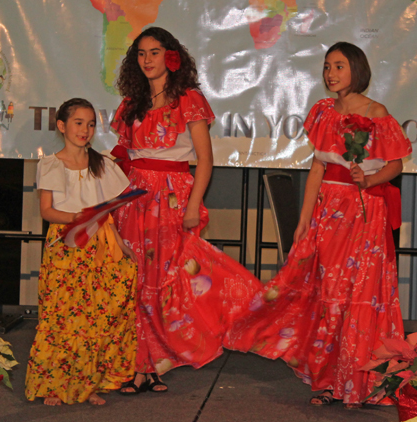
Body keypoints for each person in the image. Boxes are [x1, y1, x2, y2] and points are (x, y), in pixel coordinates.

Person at [227, 42, 413, 407]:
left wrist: (368, 180)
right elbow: (317, 168)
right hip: (329, 212)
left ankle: (359, 384)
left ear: (356, 69)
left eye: (339, 66)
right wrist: (304, 220)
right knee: (329, 295)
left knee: (359, 296)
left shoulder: (377, 113)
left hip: (363, 214)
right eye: (327, 66)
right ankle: (328, 380)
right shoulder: (324, 111)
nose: (331, 73)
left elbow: (395, 165)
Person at [111, 27, 260, 394]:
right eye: (141, 53)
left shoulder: (188, 100)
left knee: (166, 282)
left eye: (155, 52)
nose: (147, 60)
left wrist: (193, 205)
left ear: (171, 57)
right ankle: (138, 365)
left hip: (173, 197)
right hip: (134, 198)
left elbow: (205, 160)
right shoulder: (132, 103)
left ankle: (158, 361)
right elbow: (123, 157)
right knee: (136, 279)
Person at [25, 98, 138, 406]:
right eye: (78, 123)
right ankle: (55, 385)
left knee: (95, 316)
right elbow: (47, 211)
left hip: (98, 246)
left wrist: (120, 243)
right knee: (62, 316)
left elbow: (107, 212)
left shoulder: (101, 163)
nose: (85, 130)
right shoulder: (49, 164)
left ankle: (90, 383)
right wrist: (75, 218)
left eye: (90, 124)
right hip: (66, 244)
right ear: (62, 126)